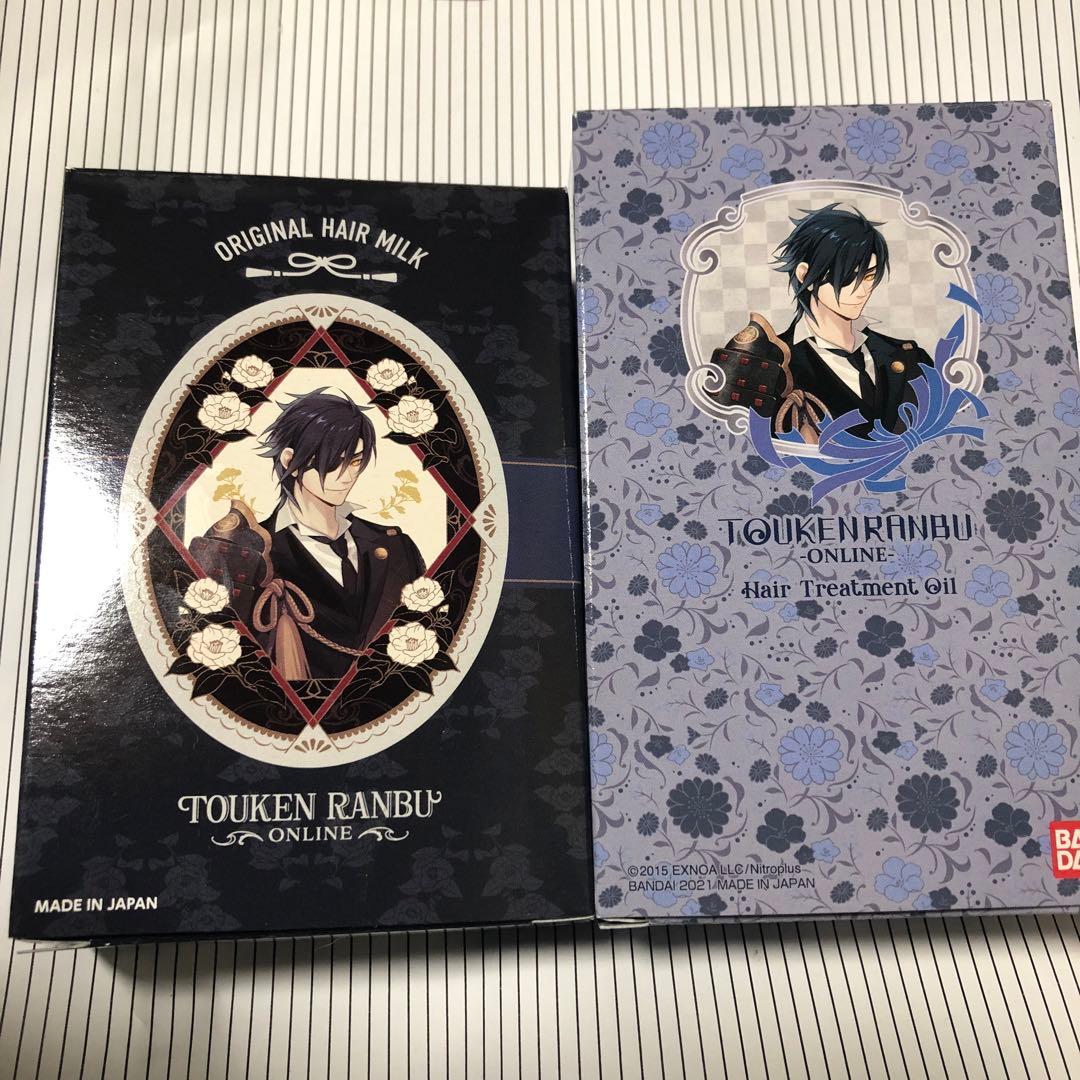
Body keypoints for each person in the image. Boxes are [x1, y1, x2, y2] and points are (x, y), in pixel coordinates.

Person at [190, 390, 424, 680]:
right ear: (290, 461)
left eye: (355, 461)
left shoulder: (396, 546)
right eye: (334, 461)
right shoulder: (248, 553)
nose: (348, 476)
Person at [707, 204, 932, 442]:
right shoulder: (767, 366)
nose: (862, 290)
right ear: (805, 275)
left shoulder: (909, 357)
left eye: (868, 276)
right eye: (848, 277)